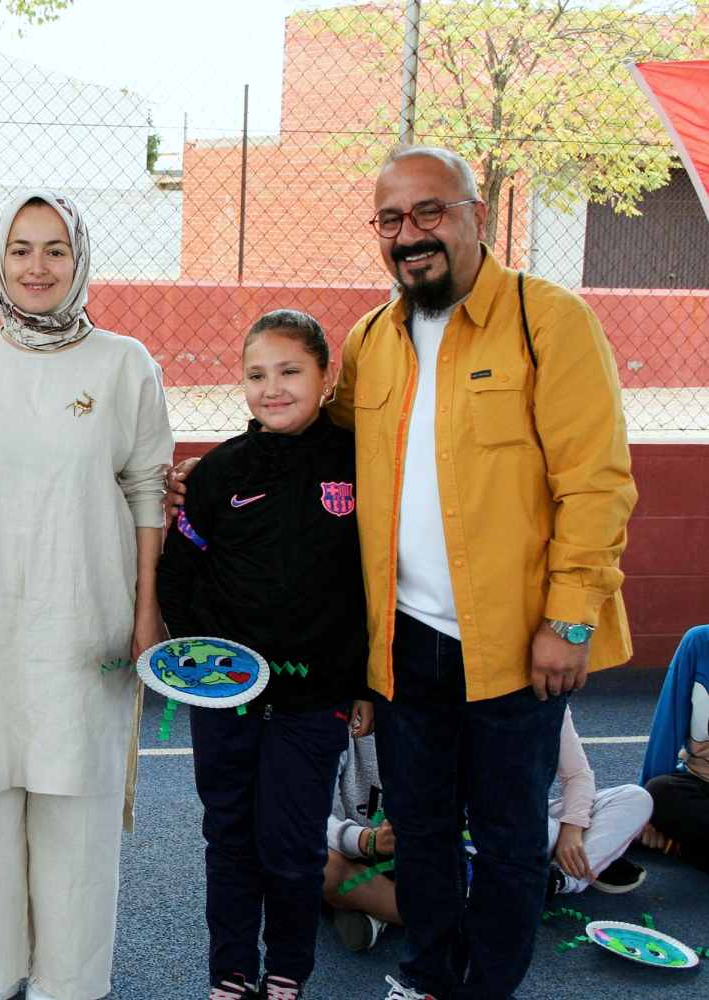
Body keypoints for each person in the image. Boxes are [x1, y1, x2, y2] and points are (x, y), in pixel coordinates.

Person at [169, 144, 637, 1000]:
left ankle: (484, 987)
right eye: (391, 219)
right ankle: (426, 978)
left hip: (518, 646)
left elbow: (597, 483)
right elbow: (309, 442)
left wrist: (569, 618)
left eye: (430, 211)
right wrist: (210, 476)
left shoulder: (549, 321)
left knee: (507, 839)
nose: (410, 233)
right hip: (405, 644)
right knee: (420, 830)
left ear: (476, 216)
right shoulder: (371, 341)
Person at [0, 191, 173, 1000]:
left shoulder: (125, 363)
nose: (37, 266)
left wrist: (147, 611)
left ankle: (69, 985)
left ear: (80, 258)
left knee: (78, 810)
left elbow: (147, 489)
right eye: (20, 248)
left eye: (56, 249)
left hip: (87, 625)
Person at [157, 310, 373, 1000]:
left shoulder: (361, 463)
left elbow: (379, 585)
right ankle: (230, 972)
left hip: (314, 700)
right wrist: (204, 668)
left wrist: (364, 682)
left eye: (290, 371)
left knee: (293, 842)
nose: (272, 388)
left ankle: (286, 971)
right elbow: (177, 573)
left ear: (326, 376)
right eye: (256, 374)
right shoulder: (218, 471)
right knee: (229, 836)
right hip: (228, 702)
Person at [543, 705, 652, 897]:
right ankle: (592, 858)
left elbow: (577, 774)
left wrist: (572, 828)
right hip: (497, 823)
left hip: (537, 815)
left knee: (635, 798)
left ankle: (558, 877)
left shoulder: (553, 704)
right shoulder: (486, 702)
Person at [638, 625, 709, 873]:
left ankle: (681, 848)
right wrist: (645, 811)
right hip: (701, 783)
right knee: (661, 791)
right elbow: (668, 725)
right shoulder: (699, 643)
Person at [323, 733, 401, 954]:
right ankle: (442, 920)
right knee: (319, 865)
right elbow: (315, 818)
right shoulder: (336, 729)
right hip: (350, 852)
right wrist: (366, 840)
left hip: (410, 855)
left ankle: (369, 908)